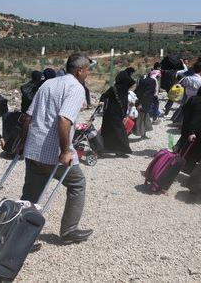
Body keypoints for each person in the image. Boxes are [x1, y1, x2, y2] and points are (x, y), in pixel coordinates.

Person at [18, 52, 92, 244]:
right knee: (77, 183)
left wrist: (22, 143)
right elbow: (64, 119)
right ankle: (69, 230)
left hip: (33, 148)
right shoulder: (76, 88)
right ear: (79, 70)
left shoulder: (48, 84)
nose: (88, 74)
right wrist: (66, 151)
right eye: (87, 70)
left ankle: (18, 231)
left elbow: (28, 117)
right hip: (53, 152)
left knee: (31, 193)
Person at [175, 83, 201, 172]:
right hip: (196, 133)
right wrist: (192, 132)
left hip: (186, 127)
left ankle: (185, 167)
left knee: (185, 148)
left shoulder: (192, 99)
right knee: (195, 151)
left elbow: (185, 112)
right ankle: (189, 168)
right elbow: (196, 119)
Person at [100, 67, 135, 155]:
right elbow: (132, 81)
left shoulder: (114, 88)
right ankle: (122, 149)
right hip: (118, 112)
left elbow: (103, 96)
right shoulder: (125, 88)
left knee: (111, 130)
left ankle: (111, 148)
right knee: (120, 131)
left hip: (111, 112)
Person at [132, 71, 156, 139]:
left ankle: (143, 134)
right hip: (144, 104)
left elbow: (137, 91)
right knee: (139, 120)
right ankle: (128, 134)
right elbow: (146, 94)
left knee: (142, 119)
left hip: (141, 103)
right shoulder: (152, 81)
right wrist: (141, 104)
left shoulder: (141, 81)